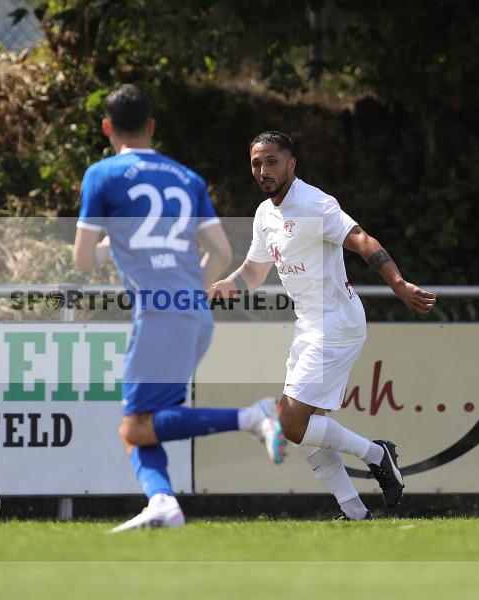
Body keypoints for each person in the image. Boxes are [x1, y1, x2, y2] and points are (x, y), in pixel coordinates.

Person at [72, 85, 287, 532]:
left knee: (134, 428)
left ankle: (253, 417)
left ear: (107, 127)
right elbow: (220, 252)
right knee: (142, 424)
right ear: (151, 126)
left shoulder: (102, 174)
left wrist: (108, 249)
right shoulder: (186, 177)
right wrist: (187, 291)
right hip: (193, 313)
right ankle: (162, 502)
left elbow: (82, 258)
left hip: (158, 315)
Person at [210, 131, 436, 520]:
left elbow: (362, 239)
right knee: (303, 427)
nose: (263, 171)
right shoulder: (265, 215)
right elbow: (253, 273)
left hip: (337, 324)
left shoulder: (315, 203)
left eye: (272, 162)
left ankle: (376, 453)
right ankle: (354, 511)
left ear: (292, 164)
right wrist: (225, 287)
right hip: (309, 326)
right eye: (256, 164)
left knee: (288, 423)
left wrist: (399, 283)